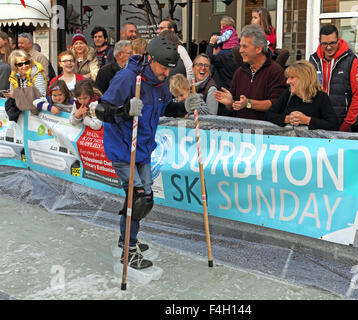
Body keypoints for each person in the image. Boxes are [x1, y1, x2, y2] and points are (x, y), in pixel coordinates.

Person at [95, 35, 199, 270]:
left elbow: (165, 108)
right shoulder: (128, 78)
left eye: (169, 69)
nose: (166, 74)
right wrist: (125, 110)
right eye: (163, 68)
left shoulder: (160, 82)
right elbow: (102, 110)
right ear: (150, 59)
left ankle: (126, 238)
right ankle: (128, 251)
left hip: (142, 148)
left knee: (145, 197)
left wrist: (184, 106)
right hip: (123, 148)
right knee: (138, 198)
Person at [214, 24, 286, 120]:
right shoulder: (239, 72)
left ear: (259, 49)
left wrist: (248, 103)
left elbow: (275, 104)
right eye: (240, 46)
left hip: (265, 133)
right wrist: (231, 103)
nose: (240, 50)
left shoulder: (276, 71)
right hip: (240, 132)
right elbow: (234, 107)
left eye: (245, 46)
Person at [309, 24, 358, 132]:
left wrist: (347, 124)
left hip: (342, 125)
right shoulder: (313, 60)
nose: (328, 47)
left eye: (332, 43)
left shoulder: (350, 60)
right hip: (318, 123)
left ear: (338, 40)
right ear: (319, 41)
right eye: (324, 43)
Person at [264, 60, 339, 130]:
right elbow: (268, 115)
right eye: (288, 78)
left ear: (304, 79)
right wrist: (288, 119)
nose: (287, 81)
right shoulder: (288, 94)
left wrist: (307, 120)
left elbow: (333, 124)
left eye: (292, 78)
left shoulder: (321, 97)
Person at [206, 33, 238, 116]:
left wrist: (211, 44)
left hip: (221, 98)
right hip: (233, 98)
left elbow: (208, 57)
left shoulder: (222, 58)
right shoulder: (237, 58)